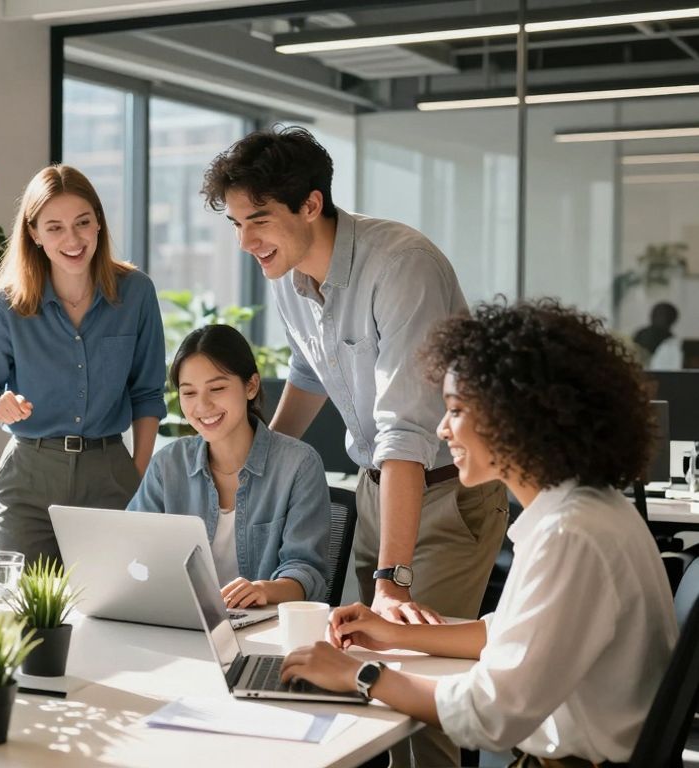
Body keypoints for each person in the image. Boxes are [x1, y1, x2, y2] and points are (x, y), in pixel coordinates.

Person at [281, 299, 677, 767]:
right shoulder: (584, 509)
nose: (442, 429)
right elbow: (510, 634)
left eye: (455, 410)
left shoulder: (571, 534)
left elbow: (491, 715)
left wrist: (361, 675)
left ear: (515, 415)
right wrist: (392, 634)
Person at [201, 127, 508, 625]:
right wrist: (262, 460)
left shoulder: (402, 267)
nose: (245, 241)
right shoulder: (287, 268)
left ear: (310, 204)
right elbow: (310, 370)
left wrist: (392, 580)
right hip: (376, 491)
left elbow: (404, 433)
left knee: (414, 657)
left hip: (447, 493)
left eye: (258, 220)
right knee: (368, 652)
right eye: (236, 224)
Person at [0, 164, 167, 565]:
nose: (72, 239)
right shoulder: (8, 304)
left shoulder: (136, 293)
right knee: (27, 614)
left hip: (110, 474)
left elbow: (147, 393)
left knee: (112, 607)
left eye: (82, 223)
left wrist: (137, 476)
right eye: (54, 227)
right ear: (34, 233)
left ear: (99, 224)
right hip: (29, 479)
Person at [128, 324, 330, 607]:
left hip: (262, 628)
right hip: (181, 622)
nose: (202, 406)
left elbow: (306, 572)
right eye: (188, 393)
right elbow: (130, 548)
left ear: (251, 386)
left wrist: (264, 590)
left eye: (217, 388)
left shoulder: (299, 465)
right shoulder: (168, 464)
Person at [634, 301, 682, 370]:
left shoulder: (671, 344)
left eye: (660, 314)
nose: (654, 316)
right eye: (655, 314)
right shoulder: (641, 333)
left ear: (671, 319)